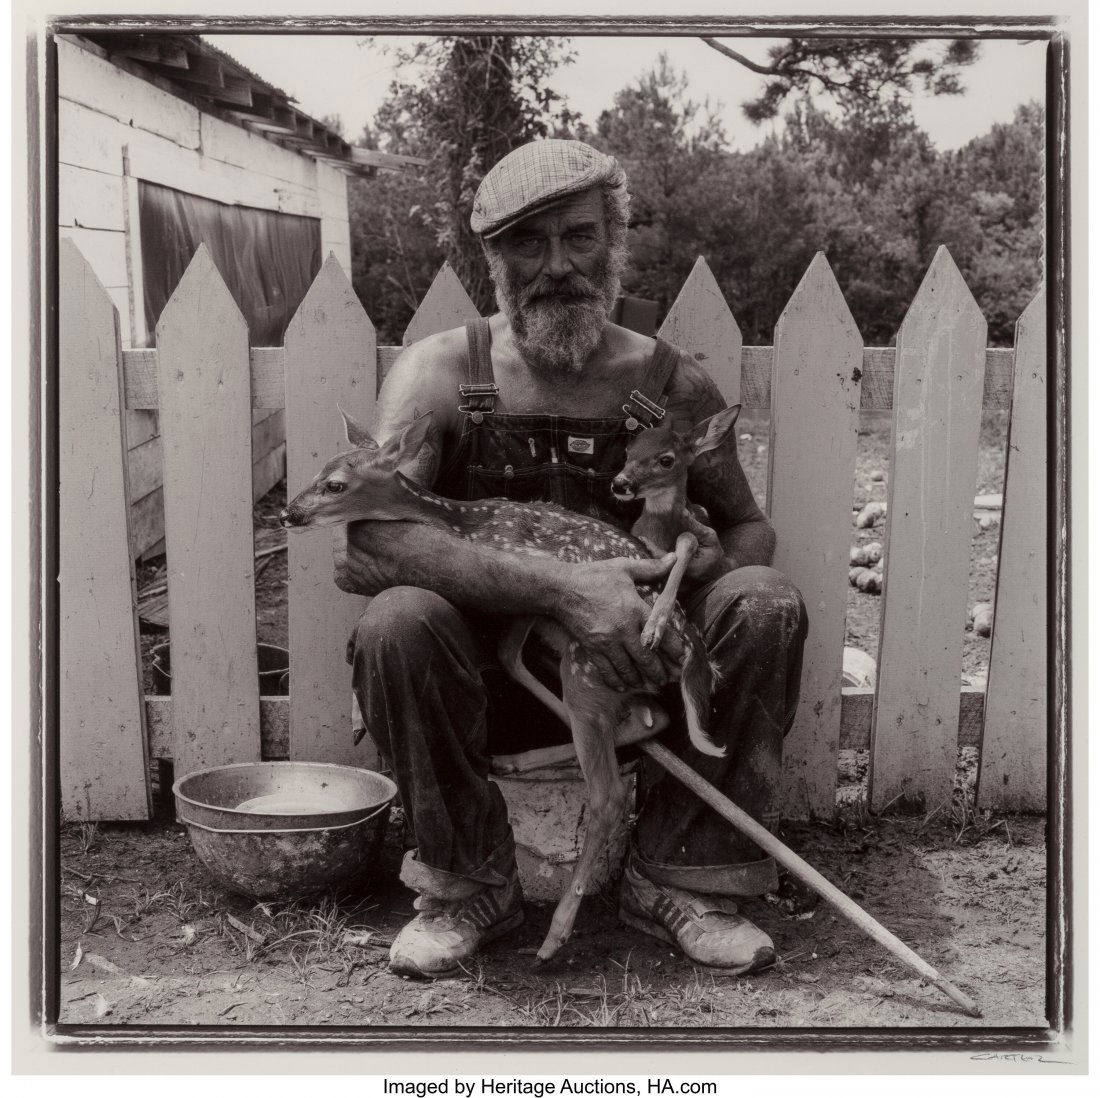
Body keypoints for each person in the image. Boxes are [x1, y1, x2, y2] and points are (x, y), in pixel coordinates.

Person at [335, 139, 808, 980]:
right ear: (491, 259)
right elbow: (376, 536)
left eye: (579, 237)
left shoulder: (667, 384)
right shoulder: (442, 374)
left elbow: (748, 532)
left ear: (614, 242)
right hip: (493, 687)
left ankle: (682, 880)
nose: (557, 266)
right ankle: (469, 885)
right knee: (396, 620)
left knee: (764, 599)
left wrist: (684, 577)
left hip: (637, 688)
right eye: (527, 242)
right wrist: (567, 590)